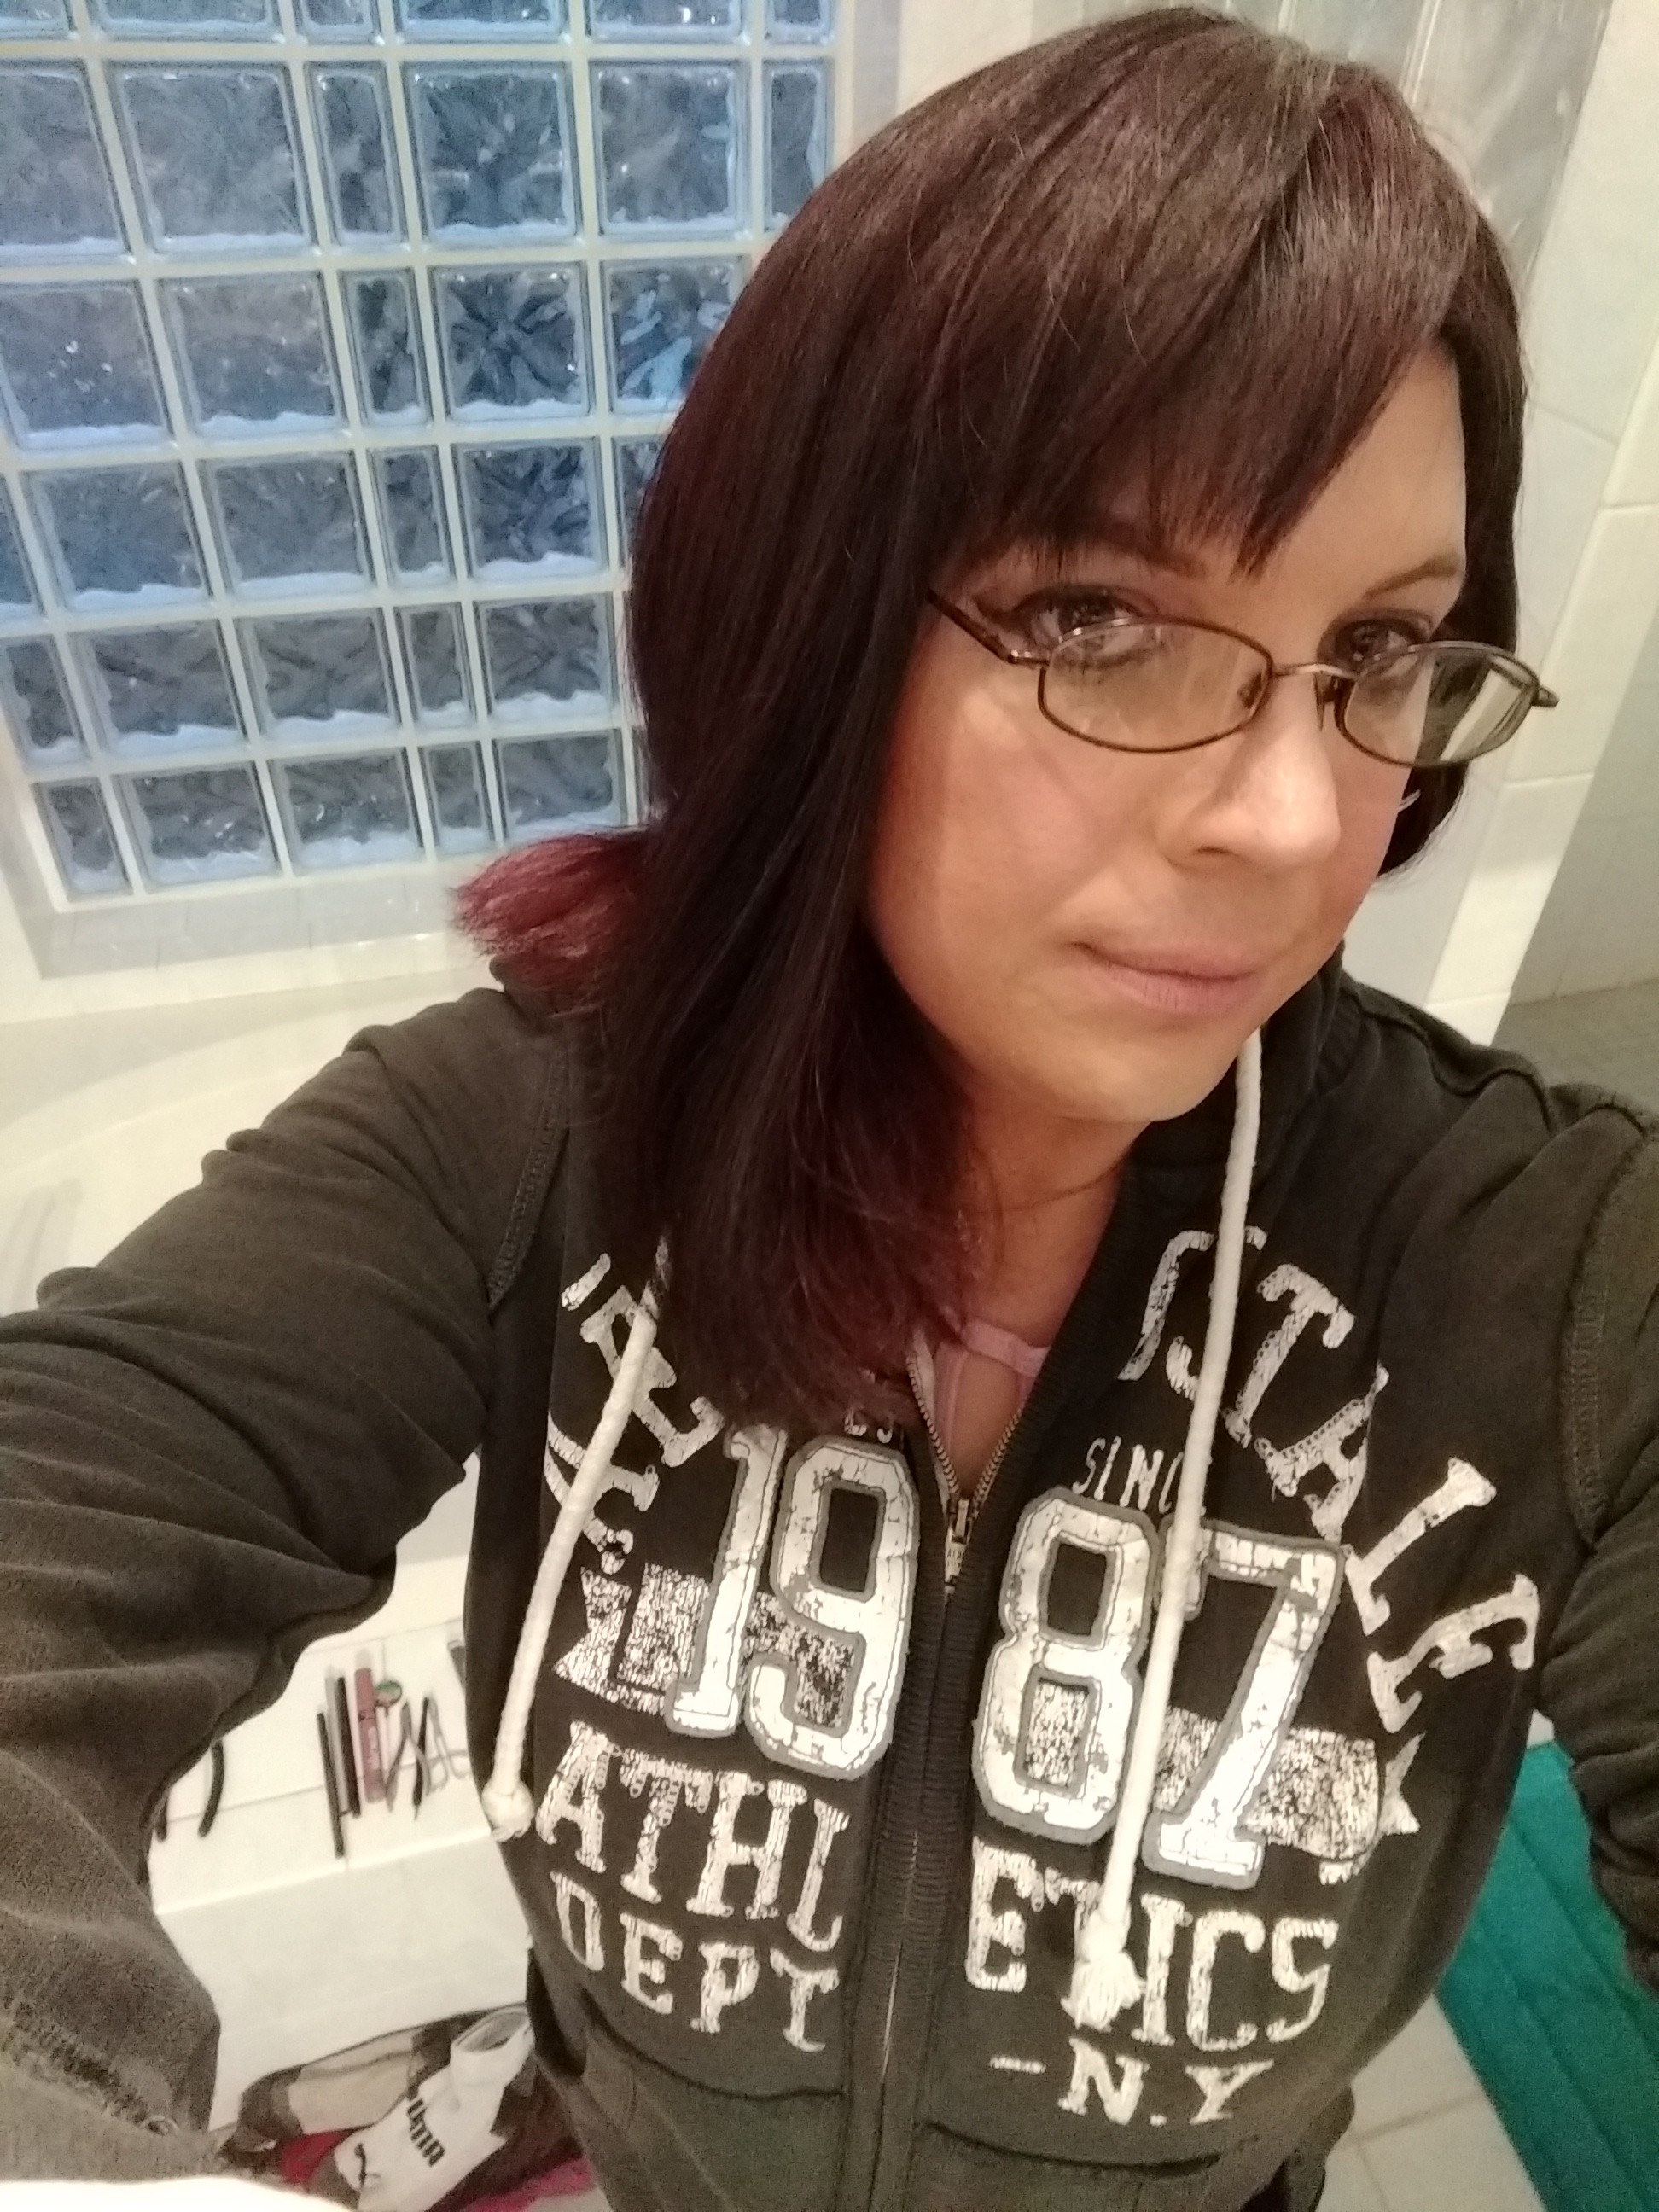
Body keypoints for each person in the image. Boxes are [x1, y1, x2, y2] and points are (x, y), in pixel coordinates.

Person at [2, 8, 1654, 2209]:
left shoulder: (1561, 1280)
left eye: (1379, 655)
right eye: (1100, 619)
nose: (1286, 818)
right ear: (814, 625)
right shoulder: (520, 1144)